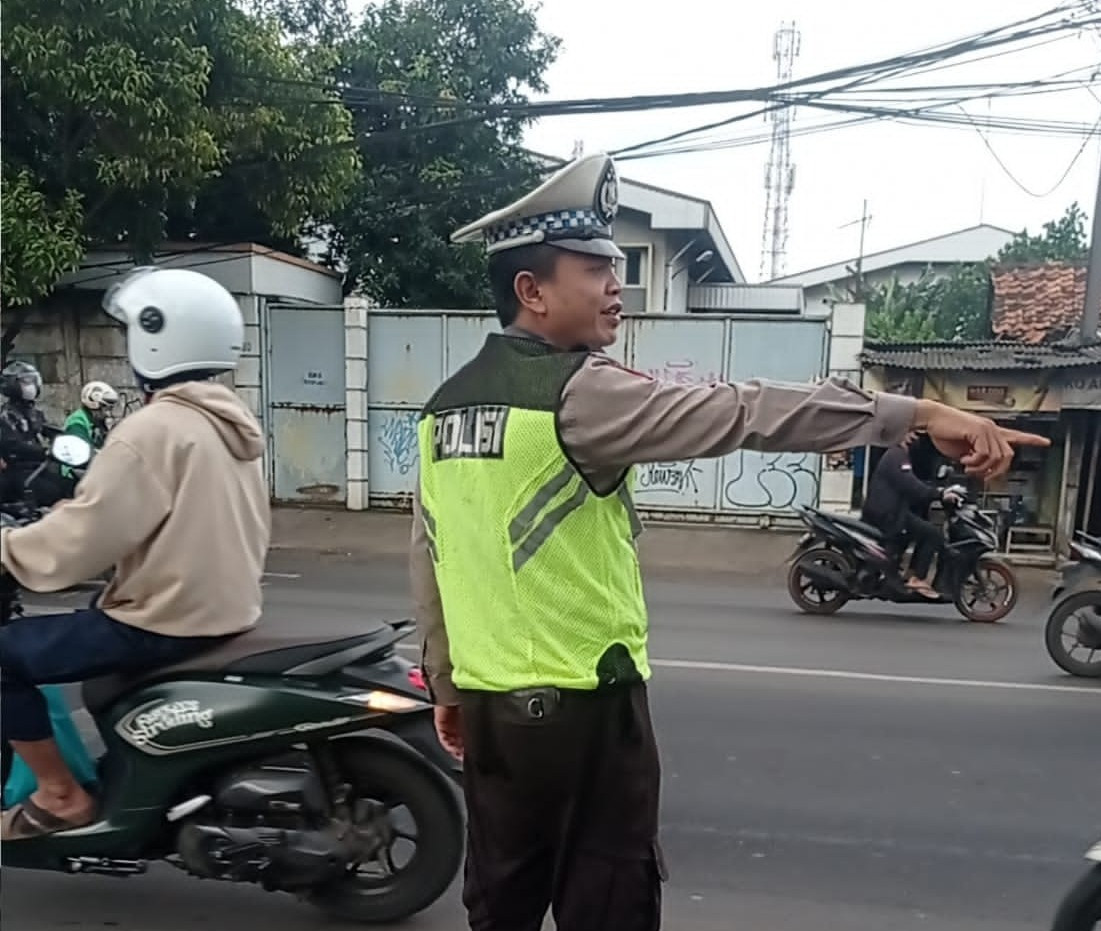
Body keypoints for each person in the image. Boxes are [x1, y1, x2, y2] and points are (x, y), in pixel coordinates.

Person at [409, 152, 1050, 931]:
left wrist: (445, 684)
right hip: (588, 711)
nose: (616, 283)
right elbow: (744, 410)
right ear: (531, 291)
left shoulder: (442, 410)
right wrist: (918, 416)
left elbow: (432, 555)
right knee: (607, 902)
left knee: (500, 905)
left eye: (617, 264)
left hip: (490, 712)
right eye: (594, 268)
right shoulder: (581, 391)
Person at [0, 267, 271, 840]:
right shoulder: (230, 423)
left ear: (155, 337)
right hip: (225, 607)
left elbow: (82, 536)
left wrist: (9, 550)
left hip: (166, 618)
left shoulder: (153, 430)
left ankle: (61, 794)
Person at [861, 432, 962, 598]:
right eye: (911, 433)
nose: (915, 438)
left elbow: (912, 485)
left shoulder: (898, 456)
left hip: (891, 511)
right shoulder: (896, 456)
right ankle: (917, 577)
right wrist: (939, 493)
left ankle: (903, 573)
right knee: (932, 534)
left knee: (918, 530)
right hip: (888, 513)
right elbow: (910, 485)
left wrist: (936, 491)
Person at [0, 360, 49, 503]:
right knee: (53, 490)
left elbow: (47, 429)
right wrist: (43, 451)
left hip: (39, 467)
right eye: (26, 382)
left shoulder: (35, 413)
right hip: (18, 470)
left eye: (34, 381)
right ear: (12, 385)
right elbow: (13, 445)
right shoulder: (6, 415)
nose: (31, 387)